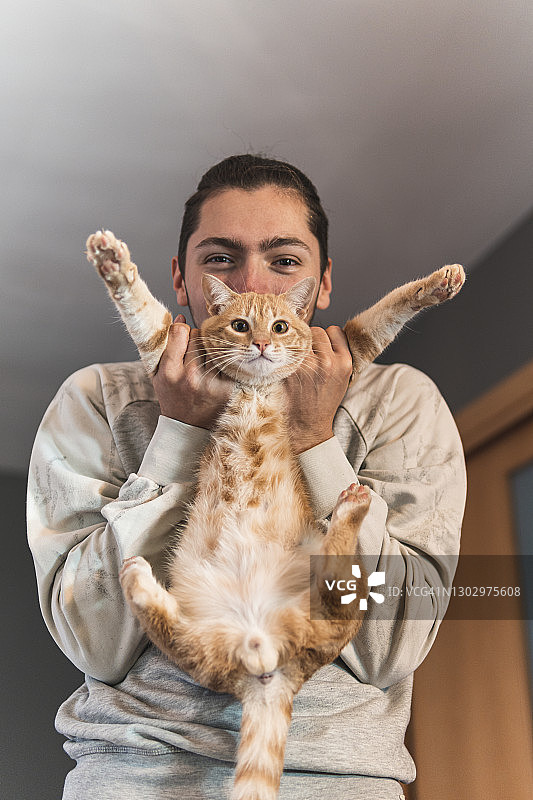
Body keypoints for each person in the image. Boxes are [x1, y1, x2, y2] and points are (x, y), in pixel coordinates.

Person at [27, 154, 466, 800]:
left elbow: (392, 647)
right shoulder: (95, 399)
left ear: (320, 285)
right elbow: (94, 644)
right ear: (182, 279)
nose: (255, 285)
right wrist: (180, 434)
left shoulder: (397, 401)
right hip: (133, 775)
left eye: (284, 261)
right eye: (221, 259)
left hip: (341, 782)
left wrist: (316, 442)